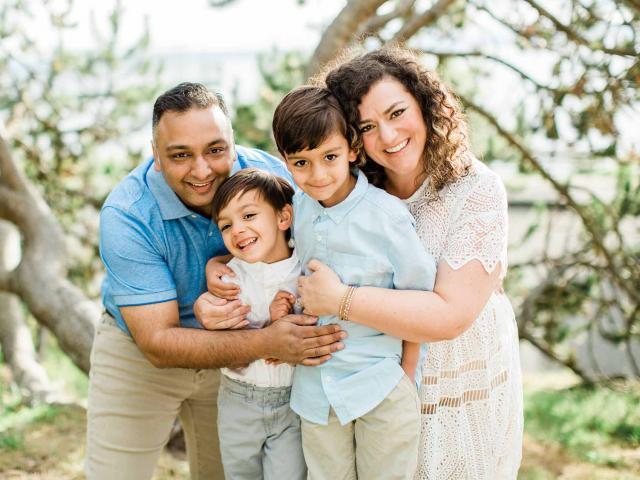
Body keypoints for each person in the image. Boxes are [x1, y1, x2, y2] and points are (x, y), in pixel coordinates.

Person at [86, 82, 345, 480]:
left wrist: (221, 264)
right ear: (156, 156)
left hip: (245, 371)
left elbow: (309, 250)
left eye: (215, 150)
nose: (202, 170)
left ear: (233, 143)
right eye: (180, 155)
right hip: (142, 354)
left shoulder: (276, 180)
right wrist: (267, 341)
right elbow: (157, 342)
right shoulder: (127, 215)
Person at [295, 47, 524, 479]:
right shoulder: (347, 196)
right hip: (368, 390)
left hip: (457, 386)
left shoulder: (475, 190)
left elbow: (449, 316)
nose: (388, 135)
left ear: (424, 104)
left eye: (397, 112)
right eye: (366, 126)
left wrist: (341, 299)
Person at [274, 85, 436, 479]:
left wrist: (406, 376)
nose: (318, 174)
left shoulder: (386, 217)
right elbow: (287, 266)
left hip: (378, 385)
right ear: (285, 162)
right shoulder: (297, 209)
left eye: (329, 157)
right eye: (301, 163)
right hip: (316, 391)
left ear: (351, 148)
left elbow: (420, 298)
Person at [210, 168, 306, 479]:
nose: (237, 229)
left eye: (249, 215)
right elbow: (226, 339)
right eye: (226, 225)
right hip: (239, 399)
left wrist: (289, 316)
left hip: (293, 401)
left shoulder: (303, 268)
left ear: (283, 218)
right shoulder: (229, 277)